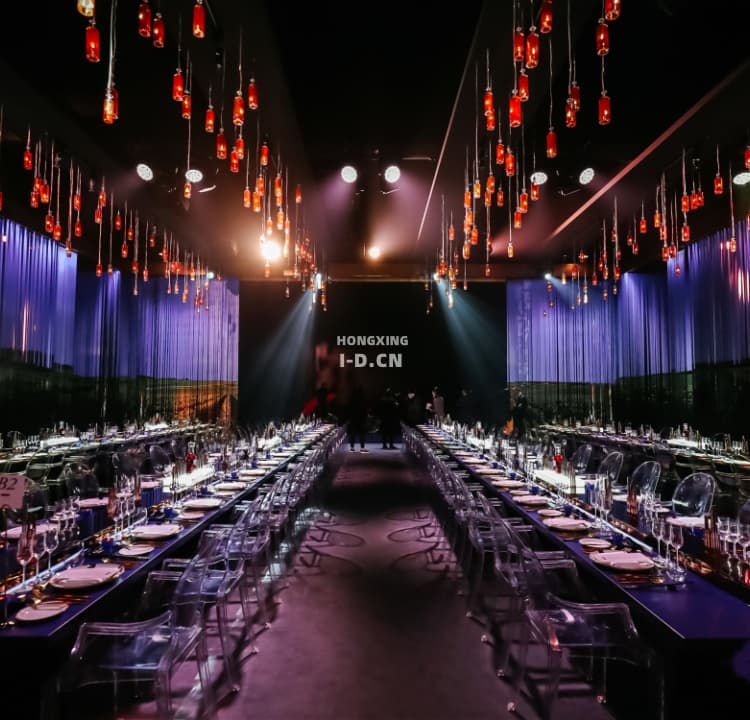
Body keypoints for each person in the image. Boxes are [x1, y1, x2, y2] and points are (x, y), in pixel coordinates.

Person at [347, 384, 368, 453]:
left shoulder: (352, 399)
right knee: (361, 434)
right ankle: (362, 448)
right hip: (361, 419)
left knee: (353, 434)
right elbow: (365, 410)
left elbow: (349, 409)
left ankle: (352, 448)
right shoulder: (363, 400)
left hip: (354, 419)